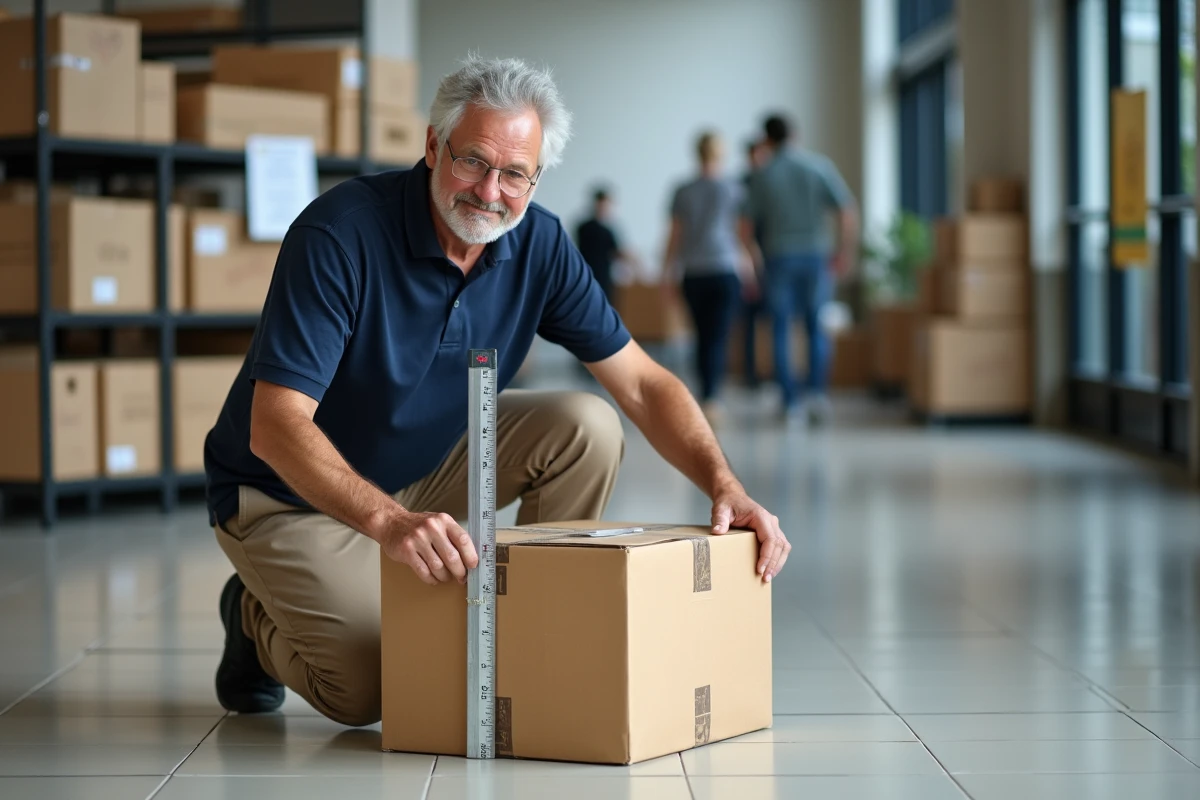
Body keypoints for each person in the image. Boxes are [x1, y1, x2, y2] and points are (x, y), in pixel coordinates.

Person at [204, 55, 790, 726]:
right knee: (370, 688)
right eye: (474, 162)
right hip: (287, 492)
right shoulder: (339, 235)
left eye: (516, 174)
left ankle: (528, 628)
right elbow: (275, 425)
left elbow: (643, 383)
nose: (491, 192)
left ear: (537, 177)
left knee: (586, 426)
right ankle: (251, 617)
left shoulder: (539, 243)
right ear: (432, 147)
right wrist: (390, 524)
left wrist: (726, 483)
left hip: (423, 466)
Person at [741, 113, 858, 424]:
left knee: (780, 328)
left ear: (767, 139)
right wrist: (843, 251)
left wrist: (751, 259)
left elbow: (746, 224)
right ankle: (817, 396)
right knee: (815, 324)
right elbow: (846, 210)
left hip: (779, 257)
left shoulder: (763, 175)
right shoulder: (818, 167)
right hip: (816, 256)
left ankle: (789, 402)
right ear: (795, 135)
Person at [662, 131, 755, 423]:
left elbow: (674, 236)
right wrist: (752, 269)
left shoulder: (682, 190)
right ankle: (712, 396)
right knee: (718, 336)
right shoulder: (734, 189)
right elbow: (743, 236)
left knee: (702, 335)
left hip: (694, 272)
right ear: (721, 154)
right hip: (725, 270)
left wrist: (667, 273)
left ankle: (707, 394)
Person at [738, 138, 770, 388]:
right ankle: (751, 373)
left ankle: (772, 371)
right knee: (749, 321)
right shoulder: (743, 185)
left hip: (775, 258)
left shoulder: (773, 182)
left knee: (775, 319)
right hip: (749, 260)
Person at [575, 186, 631, 304]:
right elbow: (617, 252)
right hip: (592, 276)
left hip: (601, 277)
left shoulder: (601, 228)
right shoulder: (589, 228)